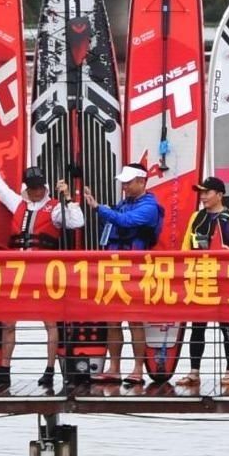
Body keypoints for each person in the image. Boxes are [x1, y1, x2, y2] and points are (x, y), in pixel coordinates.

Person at [0, 141, 89, 390]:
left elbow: (77, 221)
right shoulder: (17, 204)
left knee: (50, 323)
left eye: (40, 187)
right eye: (33, 188)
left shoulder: (54, 209)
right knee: (8, 323)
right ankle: (4, 368)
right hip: (17, 275)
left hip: (44, 274)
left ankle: (49, 370)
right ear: (27, 189)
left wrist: (68, 198)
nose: (37, 191)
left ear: (45, 186)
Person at [83, 162, 167, 385]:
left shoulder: (149, 206)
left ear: (142, 182)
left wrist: (98, 208)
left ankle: (138, 369)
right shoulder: (123, 203)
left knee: (134, 321)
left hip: (136, 269)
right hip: (114, 268)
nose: (125, 186)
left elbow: (126, 221)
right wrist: (101, 209)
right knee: (112, 321)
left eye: (129, 182)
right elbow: (114, 222)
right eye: (123, 182)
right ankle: (114, 368)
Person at [184, 175, 229, 384]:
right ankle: (194, 372)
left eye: (207, 192)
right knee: (197, 327)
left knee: (227, 327)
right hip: (201, 279)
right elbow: (185, 247)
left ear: (219, 195)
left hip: (225, 280)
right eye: (201, 193)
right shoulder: (197, 217)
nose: (203, 197)